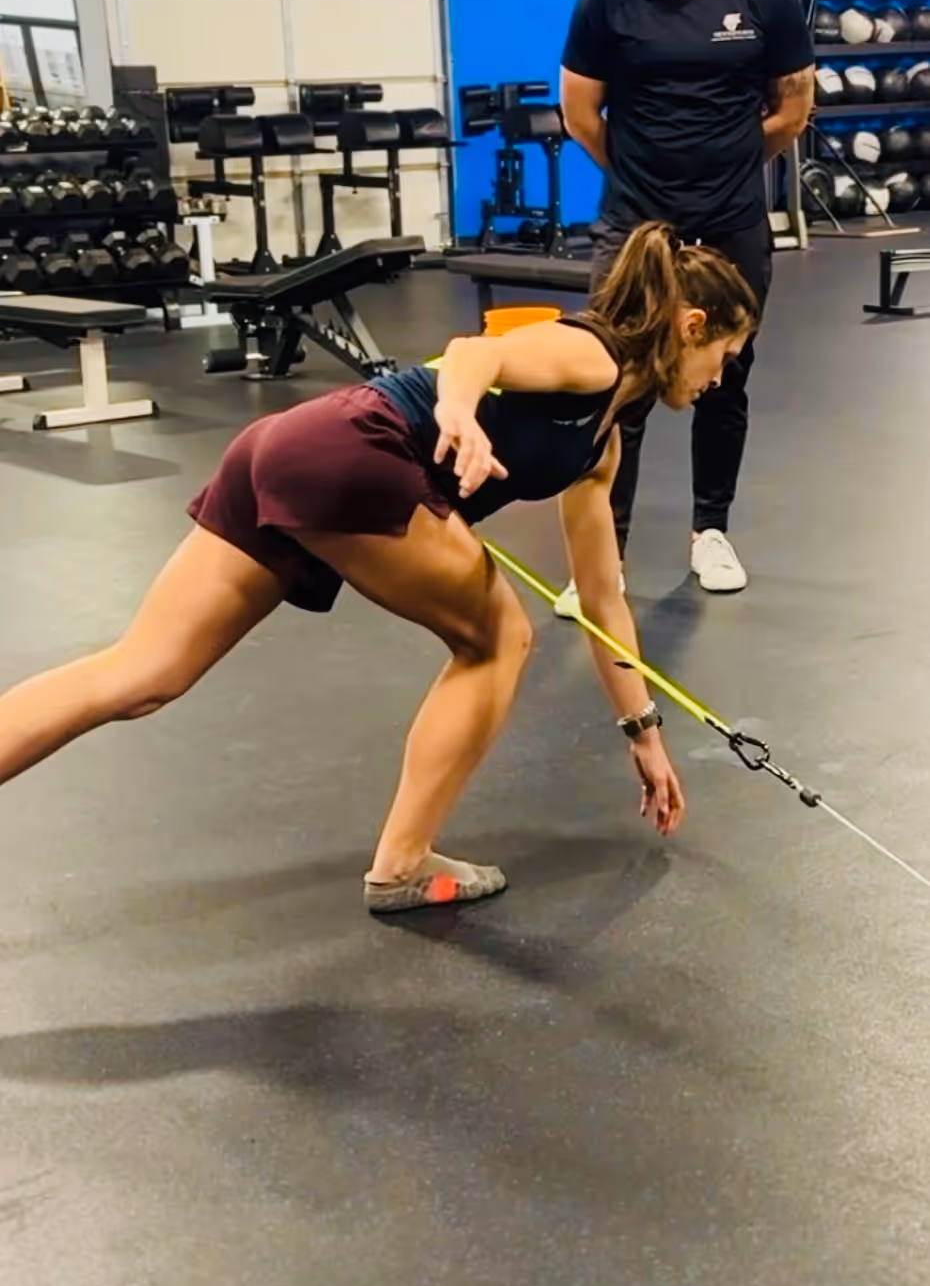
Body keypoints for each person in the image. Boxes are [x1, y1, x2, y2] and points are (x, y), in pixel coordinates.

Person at [0, 225, 756, 915]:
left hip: (286, 444)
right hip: (357, 447)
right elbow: (476, 354)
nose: (719, 379)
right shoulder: (593, 356)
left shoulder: (601, 445)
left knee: (143, 674)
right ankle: (402, 863)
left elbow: (601, 599)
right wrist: (458, 413)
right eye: (723, 357)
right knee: (499, 638)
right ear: (691, 326)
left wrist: (643, 732)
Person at [557, 0, 815, 608]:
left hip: (732, 221)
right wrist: (643, 177)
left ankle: (711, 531)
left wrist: (727, 165)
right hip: (637, 225)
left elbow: (793, 107)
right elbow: (580, 114)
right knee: (615, 383)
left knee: (725, 378)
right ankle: (605, 555)